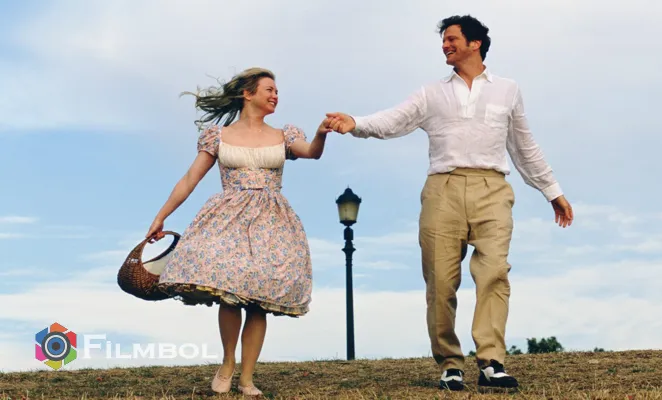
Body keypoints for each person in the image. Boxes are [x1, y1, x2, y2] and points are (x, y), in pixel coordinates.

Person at [326, 15, 574, 392]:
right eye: (443, 40)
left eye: (452, 39)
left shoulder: (508, 90)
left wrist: (552, 191)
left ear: (475, 44)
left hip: (493, 189)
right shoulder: (431, 93)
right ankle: (450, 364)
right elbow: (394, 121)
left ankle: (491, 362)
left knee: (494, 272)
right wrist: (355, 123)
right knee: (441, 281)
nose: (445, 45)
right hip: (443, 190)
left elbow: (524, 146)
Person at [145, 67, 333, 396]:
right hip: (228, 218)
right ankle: (228, 362)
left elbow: (312, 152)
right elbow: (189, 179)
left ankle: (247, 378)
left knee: (259, 301)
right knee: (229, 291)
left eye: (277, 91)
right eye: (269, 89)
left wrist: (321, 133)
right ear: (248, 94)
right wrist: (160, 217)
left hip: (271, 221)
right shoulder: (218, 136)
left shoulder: (285, 134)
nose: (275, 95)